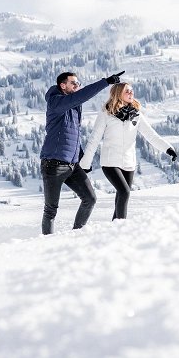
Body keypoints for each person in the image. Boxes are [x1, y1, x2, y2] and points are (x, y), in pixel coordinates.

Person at [40, 70, 125, 235]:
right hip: (53, 164)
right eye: (73, 83)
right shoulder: (56, 102)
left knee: (90, 199)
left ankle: (76, 234)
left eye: (78, 83)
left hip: (72, 164)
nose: (77, 85)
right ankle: (46, 243)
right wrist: (105, 82)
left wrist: (81, 159)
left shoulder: (73, 106)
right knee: (51, 210)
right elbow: (80, 96)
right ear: (62, 85)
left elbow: (73, 135)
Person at [80, 82, 177, 220]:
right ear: (118, 94)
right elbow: (94, 138)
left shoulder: (136, 114)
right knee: (124, 192)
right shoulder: (106, 113)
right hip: (110, 161)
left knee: (121, 196)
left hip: (129, 162)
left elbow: (151, 135)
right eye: (127, 91)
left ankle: (115, 227)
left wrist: (168, 149)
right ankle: (122, 227)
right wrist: (85, 163)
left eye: (132, 90)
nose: (131, 93)